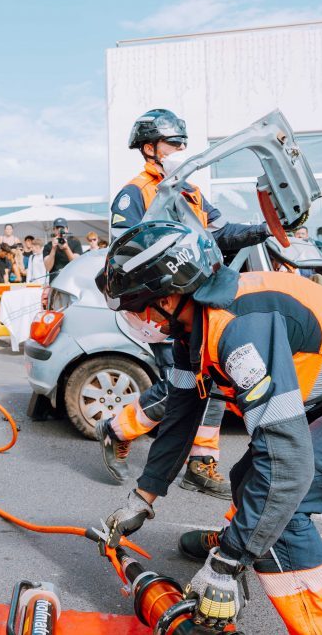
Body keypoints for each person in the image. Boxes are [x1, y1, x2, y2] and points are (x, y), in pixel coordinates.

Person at [100, 220, 322, 634]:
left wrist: (228, 565)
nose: (138, 319)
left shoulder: (240, 330)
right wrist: (143, 496)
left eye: (137, 307)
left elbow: (285, 469)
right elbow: (180, 415)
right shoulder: (191, 331)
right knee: (248, 478)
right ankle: (240, 541)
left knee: (282, 503)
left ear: (170, 296)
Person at [99, 108, 271, 498]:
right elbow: (128, 255)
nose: (180, 149)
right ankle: (116, 429)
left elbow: (222, 232)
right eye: (173, 143)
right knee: (181, 385)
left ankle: (199, 462)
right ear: (149, 148)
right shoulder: (134, 194)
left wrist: (264, 229)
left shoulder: (190, 191)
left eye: (182, 143)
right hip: (163, 307)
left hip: (201, 301)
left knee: (212, 380)